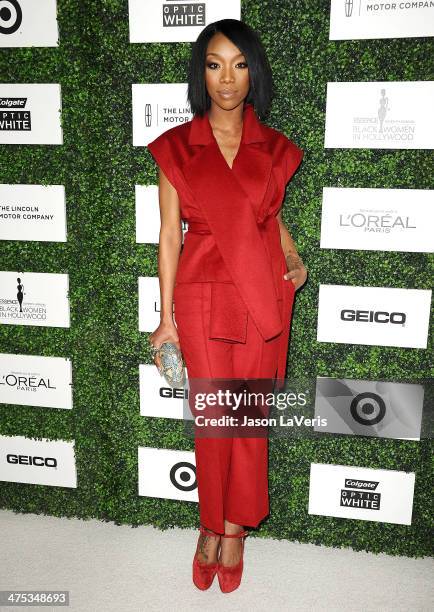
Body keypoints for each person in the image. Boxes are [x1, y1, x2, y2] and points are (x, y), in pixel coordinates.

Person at [147, 18, 307, 593]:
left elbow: (265, 215)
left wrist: (293, 254)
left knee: (248, 419)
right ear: (202, 72)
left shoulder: (276, 147)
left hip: (262, 289)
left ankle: (235, 529)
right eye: (215, 64)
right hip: (201, 290)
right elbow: (169, 236)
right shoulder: (177, 147)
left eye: (239, 64)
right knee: (214, 421)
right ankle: (208, 524)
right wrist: (164, 319)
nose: (228, 79)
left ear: (253, 72)